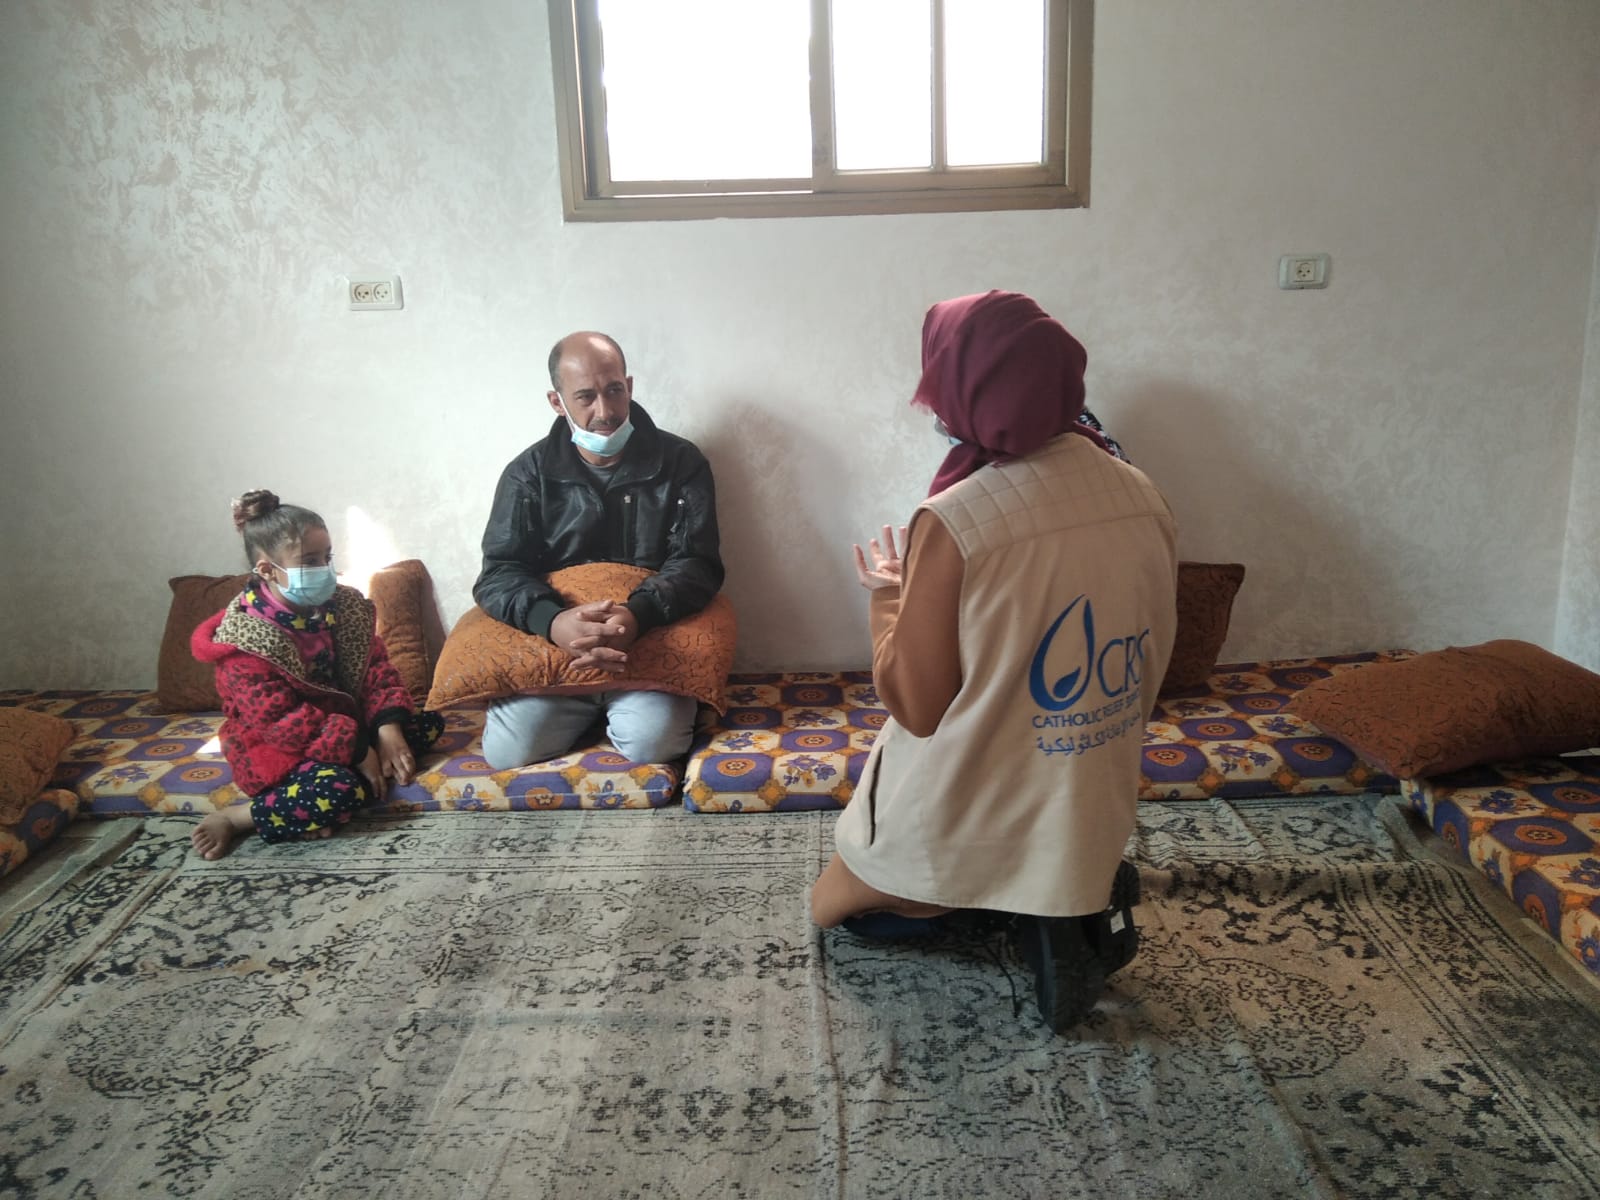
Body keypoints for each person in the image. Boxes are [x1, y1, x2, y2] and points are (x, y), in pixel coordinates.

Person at [809, 291, 1179, 1034]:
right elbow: (1151, 666)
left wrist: (888, 596)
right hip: (1083, 789)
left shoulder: (958, 517)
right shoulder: (1138, 490)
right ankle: (1063, 893)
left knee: (837, 913)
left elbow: (916, 704)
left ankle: (1017, 914)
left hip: (978, 792)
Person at [472, 331, 723, 768]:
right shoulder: (526, 475)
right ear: (557, 401)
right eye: (585, 397)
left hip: (648, 639)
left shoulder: (682, 463)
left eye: (614, 391)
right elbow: (498, 573)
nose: (604, 412)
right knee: (508, 752)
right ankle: (586, 708)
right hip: (555, 648)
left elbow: (697, 563)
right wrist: (553, 623)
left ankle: (622, 709)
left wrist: (637, 616)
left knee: (656, 746)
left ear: (630, 385)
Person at [189, 491, 444, 859]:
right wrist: (358, 750)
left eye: (327, 557)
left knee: (424, 726)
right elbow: (284, 723)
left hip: (342, 724)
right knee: (337, 792)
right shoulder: (244, 643)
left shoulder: (341, 608)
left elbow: (374, 669)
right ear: (266, 570)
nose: (325, 569)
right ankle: (239, 818)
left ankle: (320, 802)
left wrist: (387, 729)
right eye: (310, 561)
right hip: (279, 749)